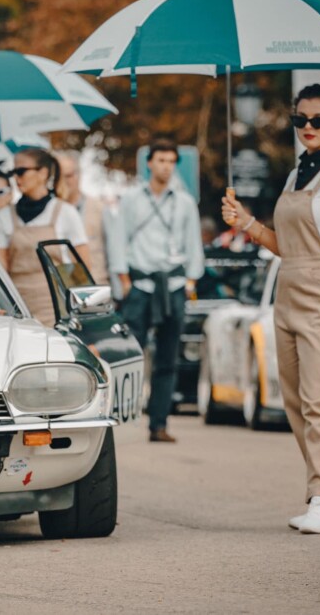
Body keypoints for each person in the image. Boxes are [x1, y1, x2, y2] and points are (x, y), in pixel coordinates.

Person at [223, 84, 320, 534]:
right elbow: (284, 246)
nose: (308, 127)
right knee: (295, 402)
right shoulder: (295, 175)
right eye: (300, 119)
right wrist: (246, 223)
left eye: (319, 120)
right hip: (287, 291)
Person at [109, 139, 204, 443]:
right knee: (130, 355)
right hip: (140, 284)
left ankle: (159, 424)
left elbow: (193, 244)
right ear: (149, 163)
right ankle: (121, 419)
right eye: (160, 160)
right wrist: (123, 282)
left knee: (167, 358)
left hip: (173, 285)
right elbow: (118, 239)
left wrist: (190, 281)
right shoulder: (132, 198)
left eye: (170, 161)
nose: (166, 166)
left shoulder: (184, 201)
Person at [0, 147, 91, 326]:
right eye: (13, 172)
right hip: (18, 306)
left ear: (43, 173)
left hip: (56, 307)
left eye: (21, 171)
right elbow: (4, 270)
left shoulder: (65, 213)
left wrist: (77, 312)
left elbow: (82, 268)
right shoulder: (4, 217)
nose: (16, 178)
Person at [55, 150, 111, 284]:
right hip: (60, 287)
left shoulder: (99, 208)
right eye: (59, 176)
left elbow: (112, 251)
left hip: (96, 284)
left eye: (68, 175)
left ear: (79, 175)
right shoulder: (50, 212)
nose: (64, 181)